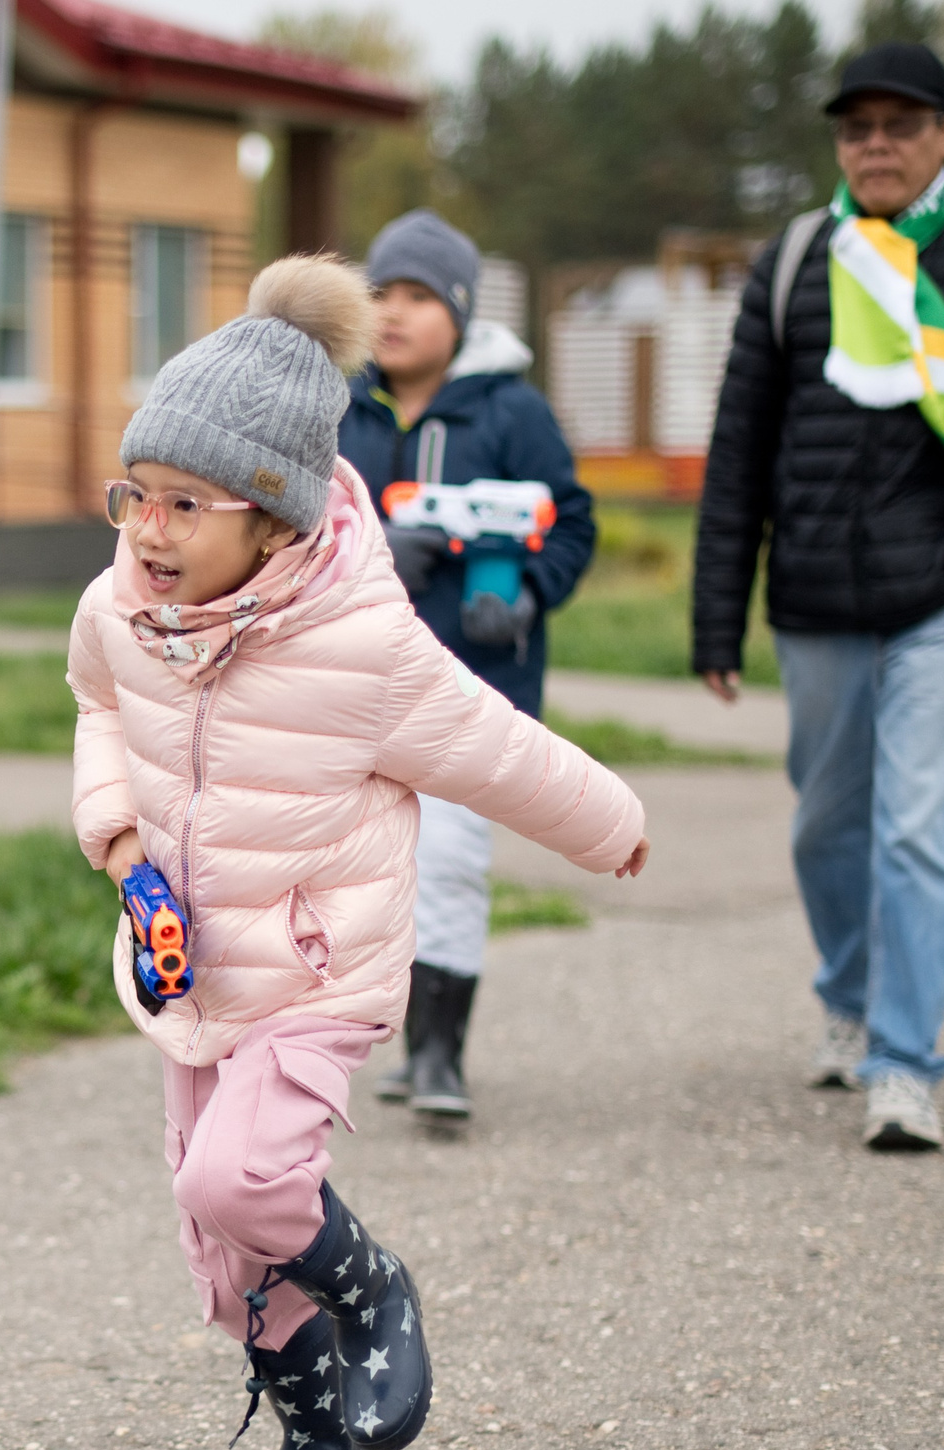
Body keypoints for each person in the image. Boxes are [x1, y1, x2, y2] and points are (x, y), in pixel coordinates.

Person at [67, 254, 648, 1450]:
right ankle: (313, 1432)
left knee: (244, 1173)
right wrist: (118, 841)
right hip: (192, 970)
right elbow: (98, 705)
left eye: (183, 505)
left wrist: (609, 824)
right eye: (135, 495)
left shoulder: (361, 645)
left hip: (321, 972)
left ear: (272, 516)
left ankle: (373, 1285)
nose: (147, 529)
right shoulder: (122, 608)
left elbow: (496, 747)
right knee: (217, 1243)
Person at [691, 42, 944, 1152]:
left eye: (901, 124)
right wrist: (714, 617)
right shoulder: (791, 264)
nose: (876, 143)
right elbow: (737, 454)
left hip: (940, 595)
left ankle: (904, 1063)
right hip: (812, 597)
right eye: (856, 126)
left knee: (915, 830)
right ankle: (849, 995)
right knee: (826, 825)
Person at [338, 210, 599, 1121]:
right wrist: (367, 550)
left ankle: (439, 1053)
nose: (395, 313)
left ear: (460, 310)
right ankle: (366, 1035)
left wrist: (527, 588)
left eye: (418, 296)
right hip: (350, 685)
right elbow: (291, 527)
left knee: (448, 860)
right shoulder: (339, 408)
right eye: (381, 294)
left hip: (471, 687)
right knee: (362, 872)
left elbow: (571, 521)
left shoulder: (513, 411)